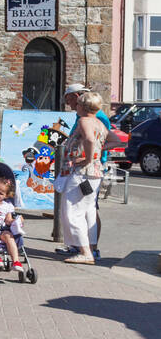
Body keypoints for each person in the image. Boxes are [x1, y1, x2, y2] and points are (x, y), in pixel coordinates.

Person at [59, 92, 106, 265]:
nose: (75, 107)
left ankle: (85, 252)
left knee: (72, 212)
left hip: (82, 172)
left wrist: (86, 157)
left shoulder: (84, 121)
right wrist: (96, 153)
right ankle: (91, 248)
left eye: (78, 104)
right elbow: (115, 141)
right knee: (88, 210)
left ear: (83, 106)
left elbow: (89, 138)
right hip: (94, 172)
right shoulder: (100, 123)